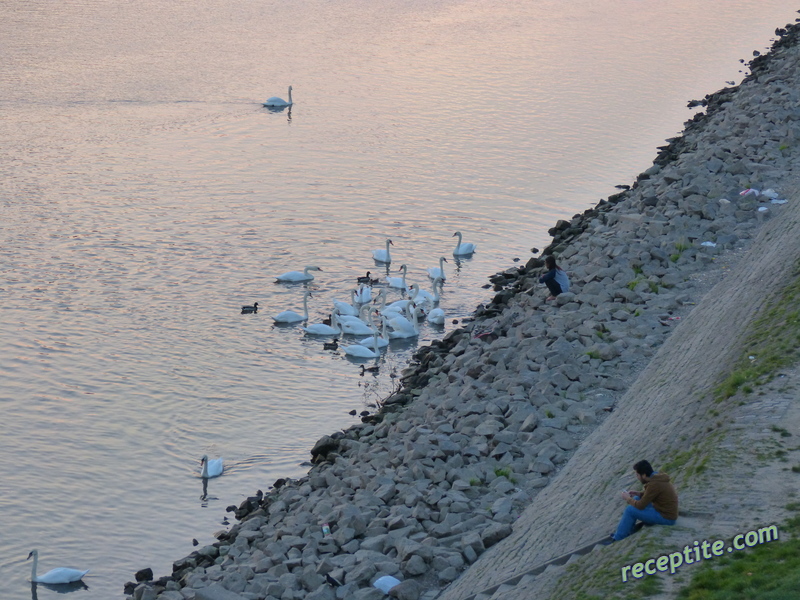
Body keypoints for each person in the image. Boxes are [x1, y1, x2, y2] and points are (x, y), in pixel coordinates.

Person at [609, 460, 678, 542]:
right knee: (637, 499)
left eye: (637, 475)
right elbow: (651, 495)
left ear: (644, 475)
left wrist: (627, 498)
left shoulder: (654, 484)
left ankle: (618, 538)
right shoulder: (656, 477)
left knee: (630, 510)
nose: (637, 477)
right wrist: (638, 494)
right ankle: (625, 531)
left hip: (667, 518)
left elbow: (640, 505)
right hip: (664, 511)